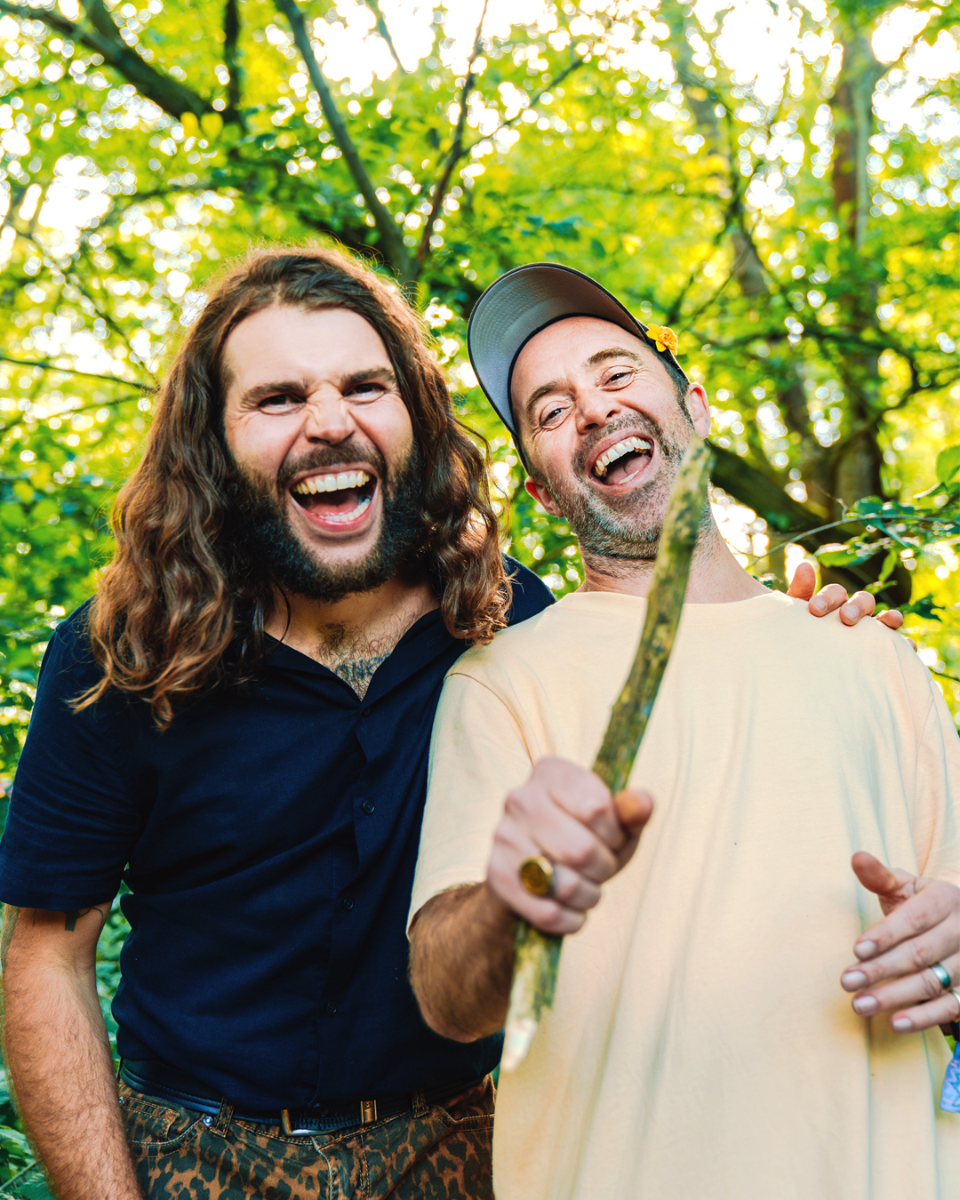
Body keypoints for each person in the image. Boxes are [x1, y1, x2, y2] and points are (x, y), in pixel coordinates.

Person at [0, 246, 887, 1200]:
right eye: (278, 398)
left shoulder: (513, 624)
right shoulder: (120, 654)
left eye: (364, 386)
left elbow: (703, 762)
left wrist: (805, 633)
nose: (330, 422)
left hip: (462, 1145)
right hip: (195, 1150)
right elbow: (48, 950)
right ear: (212, 445)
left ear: (415, 422)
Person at [407, 264, 960, 1200]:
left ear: (693, 408)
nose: (591, 410)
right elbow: (446, 999)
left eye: (617, 374)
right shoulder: (499, 684)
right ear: (543, 493)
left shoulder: (872, 657)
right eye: (550, 411)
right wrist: (516, 896)